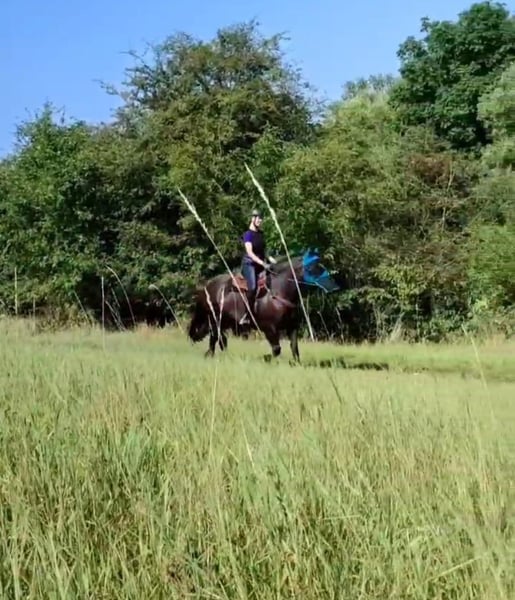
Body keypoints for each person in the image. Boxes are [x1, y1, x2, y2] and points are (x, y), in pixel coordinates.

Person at [238, 209, 276, 325]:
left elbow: (264, 251)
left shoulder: (260, 234)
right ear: (253, 219)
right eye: (258, 218)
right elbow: (250, 253)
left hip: (260, 264)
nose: (260, 220)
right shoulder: (248, 235)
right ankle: (247, 315)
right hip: (249, 265)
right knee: (253, 287)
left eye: (261, 218)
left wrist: (271, 259)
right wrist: (262, 263)